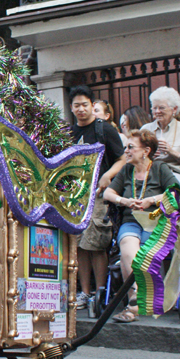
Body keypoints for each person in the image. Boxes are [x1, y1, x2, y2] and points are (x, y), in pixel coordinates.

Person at [104, 130, 179, 322]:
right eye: (125, 147)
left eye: (131, 147)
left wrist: (151, 200)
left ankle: (133, 306)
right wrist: (124, 201)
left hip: (155, 222)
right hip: (131, 221)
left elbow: (176, 193)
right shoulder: (126, 170)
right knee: (127, 249)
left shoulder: (159, 168)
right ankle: (135, 299)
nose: (126, 151)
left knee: (140, 254)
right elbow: (107, 193)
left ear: (146, 151)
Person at [68, 85, 126, 310]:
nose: (81, 109)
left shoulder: (105, 129)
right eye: (77, 105)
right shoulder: (69, 133)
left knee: (96, 244)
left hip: (99, 196)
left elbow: (122, 159)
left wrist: (107, 176)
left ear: (92, 105)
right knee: (80, 246)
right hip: (75, 197)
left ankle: (100, 293)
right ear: (71, 108)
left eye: (85, 104)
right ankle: (85, 292)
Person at [140, 86, 180, 192]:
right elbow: (134, 157)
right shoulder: (145, 129)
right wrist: (149, 155)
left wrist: (171, 152)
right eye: (154, 108)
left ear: (174, 109)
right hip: (148, 176)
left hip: (174, 176)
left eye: (161, 108)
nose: (157, 111)